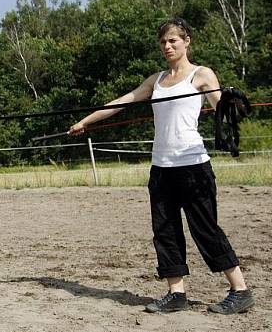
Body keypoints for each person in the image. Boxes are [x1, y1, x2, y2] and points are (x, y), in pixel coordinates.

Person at [69, 17, 255, 315]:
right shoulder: (155, 80)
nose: (168, 46)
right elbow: (122, 101)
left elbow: (222, 108)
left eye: (173, 41)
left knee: (205, 228)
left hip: (193, 166)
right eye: (163, 42)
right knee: (165, 230)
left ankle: (240, 290)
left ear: (186, 41)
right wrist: (85, 121)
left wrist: (231, 103)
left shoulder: (201, 74)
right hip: (162, 167)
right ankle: (176, 293)